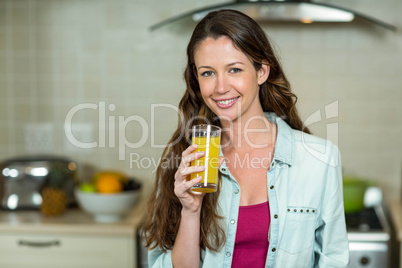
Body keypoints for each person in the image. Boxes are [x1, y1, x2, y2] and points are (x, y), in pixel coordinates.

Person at [142, 9, 349, 268]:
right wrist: (191, 211)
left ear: (261, 72)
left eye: (234, 69)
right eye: (208, 73)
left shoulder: (320, 159)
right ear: (196, 79)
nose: (220, 87)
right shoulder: (186, 161)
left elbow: (333, 260)